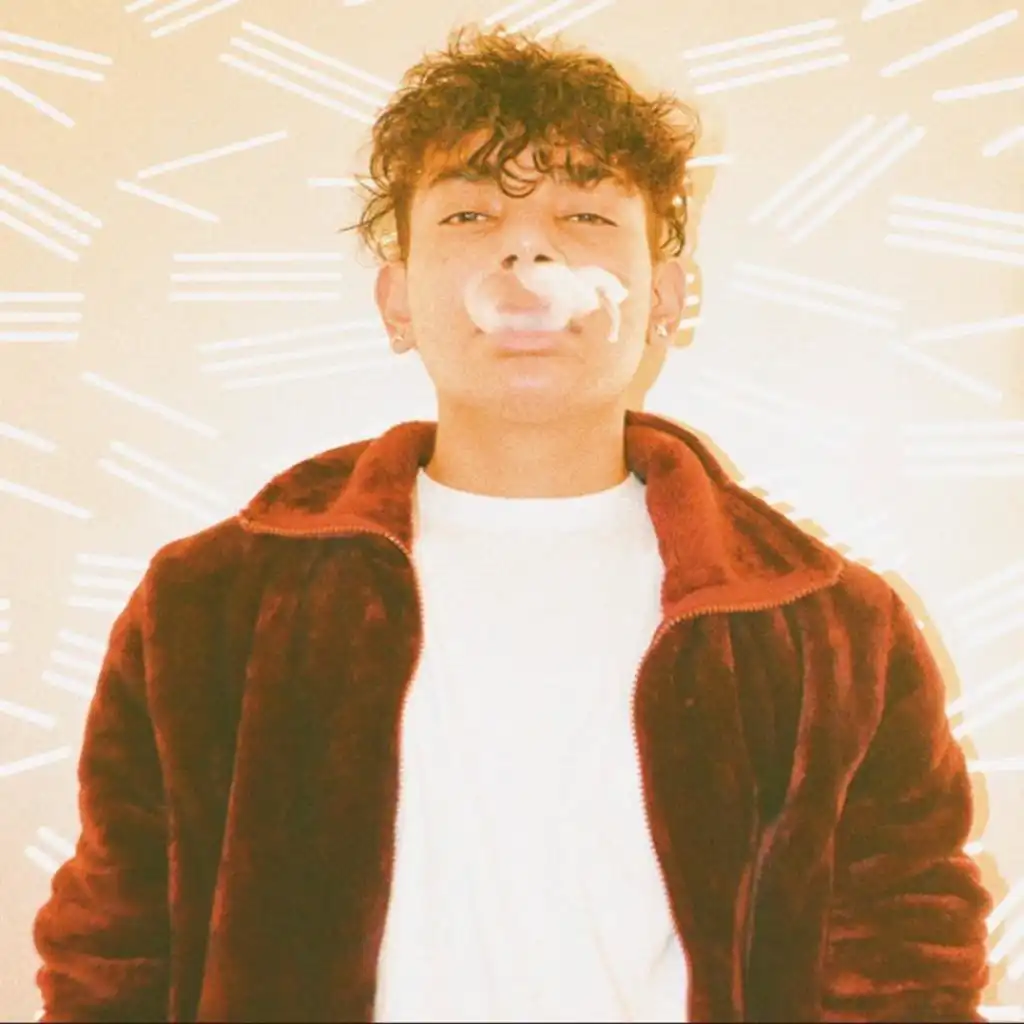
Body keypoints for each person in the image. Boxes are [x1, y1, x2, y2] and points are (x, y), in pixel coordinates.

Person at [32, 23, 993, 1024]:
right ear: (397, 302)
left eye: (584, 212)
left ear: (664, 298)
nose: (527, 250)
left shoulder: (830, 631)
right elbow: (112, 958)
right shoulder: (209, 606)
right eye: (470, 214)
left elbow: (906, 965)